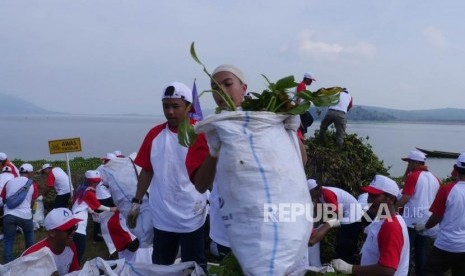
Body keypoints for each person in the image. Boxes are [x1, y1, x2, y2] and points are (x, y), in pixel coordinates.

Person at [127, 81, 208, 270]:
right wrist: (136, 201)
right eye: (166, 106)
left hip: (192, 214)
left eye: (175, 106)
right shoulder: (155, 135)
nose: (170, 111)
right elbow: (147, 170)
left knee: (193, 266)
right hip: (163, 216)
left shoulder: (200, 133)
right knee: (161, 266)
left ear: (189, 107)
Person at [331, 175, 410, 276]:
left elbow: (387, 270)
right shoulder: (380, 219)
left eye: (374, 196)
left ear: (390, 199)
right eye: (369, 195)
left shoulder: (391, 227)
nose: (369, 200)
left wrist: (350, 268)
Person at [418, 153, 465, 275]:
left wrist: (424, 226)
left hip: (446, 244)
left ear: (455, 168)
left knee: (429, 272)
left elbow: (436, 218)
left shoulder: (447, 190)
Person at [395, 150, 440, 275]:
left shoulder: (413, 176)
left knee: (405, 252)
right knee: (421, 251)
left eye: (409, 162)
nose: (407, 165)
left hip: (410, 221)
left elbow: (405, 197)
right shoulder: (435, 178)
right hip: (426, 221)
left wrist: (391, 211)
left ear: (415, 162)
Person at [308, 179, 363, 263]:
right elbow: (317, 213)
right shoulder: (318, 196)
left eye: (311, 192)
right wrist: (313, 227)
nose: (310, 195)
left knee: (344, 241)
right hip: (345, 213)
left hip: (353, 214)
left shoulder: (326, 193)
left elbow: (338, 213)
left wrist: (327, 225)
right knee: (341, 240)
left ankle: (346, 263)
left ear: (317, 189)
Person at [71, 170, 118, 264]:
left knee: (74, 248)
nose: (96, 183)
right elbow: (98, 206)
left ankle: (72, 265)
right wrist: (111, 209)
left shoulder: (82, 188)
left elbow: (83, 203)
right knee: (80, 248)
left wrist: (91, 211)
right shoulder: (89, 192)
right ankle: (74, 269)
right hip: (79, 221)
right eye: (94, 181)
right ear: (89, 181)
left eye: (97, 181)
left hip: (75, 216)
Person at [22, 207, 81, 275]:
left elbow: (74, 273)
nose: (73, 232)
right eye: (69, 230)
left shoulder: (70, 246)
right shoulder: (32, 256)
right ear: (52, 233)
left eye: (74, 227)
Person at [1, 163, 39, 263]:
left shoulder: (9, 182)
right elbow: (33, 200)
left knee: (9, 239)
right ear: (30, 173)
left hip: (9, 214)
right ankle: (29, 259)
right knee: (29, 234)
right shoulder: (32, 184)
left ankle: (8, 264)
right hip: (25, 215)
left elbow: (4, 198)